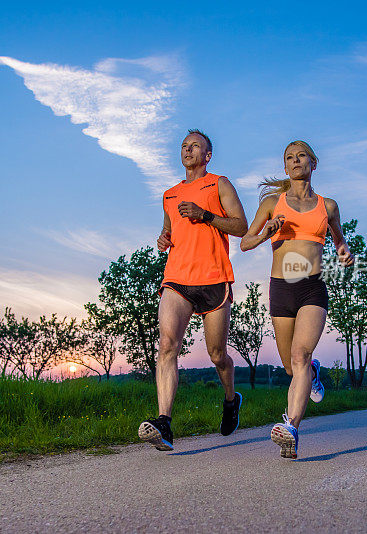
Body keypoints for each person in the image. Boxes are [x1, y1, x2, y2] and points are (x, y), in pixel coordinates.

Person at [240, 140, 354, 459]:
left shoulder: (328, 206)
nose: (295, 160)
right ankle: (313, 375)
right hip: (281, 287)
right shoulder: (271, 203)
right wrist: (267, 232)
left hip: (312, 287)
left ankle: (291, 427)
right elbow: (245, 243)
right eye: (289, 157)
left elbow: (339, 240)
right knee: (292, 368)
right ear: (285, 167)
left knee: (301, 355)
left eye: (301, 155)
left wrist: (344, 252)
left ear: (313, 163)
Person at [138, 129, 248, 451]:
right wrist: (163, 239)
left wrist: (207, 216)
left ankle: (230, 400)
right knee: (167, 345)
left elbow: (241, 226)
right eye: (184, 146)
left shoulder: (219, 184)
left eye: (194, 146)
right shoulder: (169, 194)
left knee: (217, 355)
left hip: (214, 278)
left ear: (207, 155)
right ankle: (164, 423)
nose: (187, 150)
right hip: (177, 279)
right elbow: (168, 229)